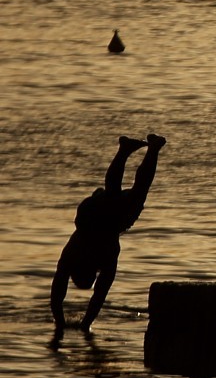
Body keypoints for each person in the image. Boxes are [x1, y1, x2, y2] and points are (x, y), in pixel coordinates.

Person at [50, 133, 166, 332]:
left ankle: (140, 149)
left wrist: (70, 324)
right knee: (126, 193)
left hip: (94, 216)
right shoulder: (75, 258)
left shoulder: (77, 256)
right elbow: (63, 296)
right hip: (94, 212)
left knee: (127, 192)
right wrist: (76, 323)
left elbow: (91, 296)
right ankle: (132, 150)